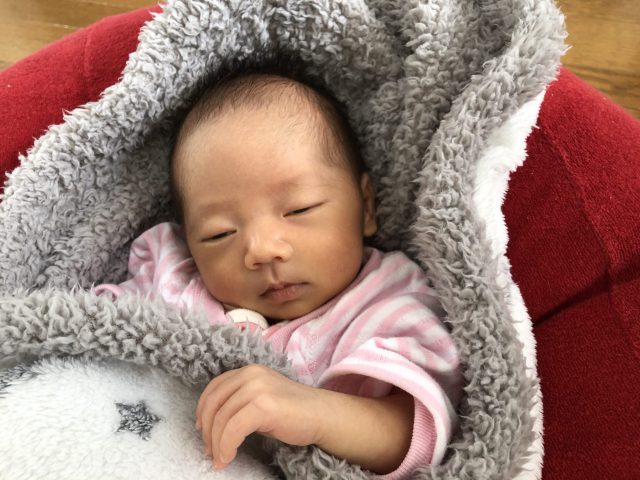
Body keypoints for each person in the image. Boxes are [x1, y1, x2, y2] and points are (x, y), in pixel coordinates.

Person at [96, 66, 462, 478]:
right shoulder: (173, 279)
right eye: (219, 234)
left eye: (299, 209)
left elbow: (422, 436)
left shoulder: (388, 300)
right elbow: (93, 334)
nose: (261, 250)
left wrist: (314, 412)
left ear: (366, 206)